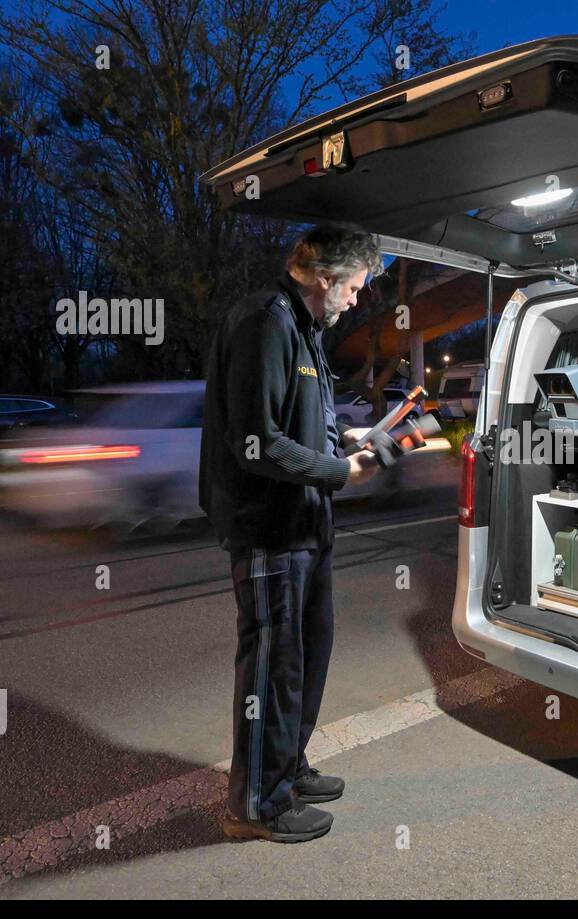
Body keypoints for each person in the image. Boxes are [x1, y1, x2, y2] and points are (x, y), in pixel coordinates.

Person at [199, 223, 383, 842]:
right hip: (269, 531)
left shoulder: (305, 330)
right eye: (354, 289)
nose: (356, 301)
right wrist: (337, 470)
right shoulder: (265, 322)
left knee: (306, 656)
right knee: (272, 669)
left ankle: (287, 768)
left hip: (306, 524)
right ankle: (256, 806)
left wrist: (344, 441)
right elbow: (255, 441)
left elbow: (299, 424)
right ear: (325, 280)